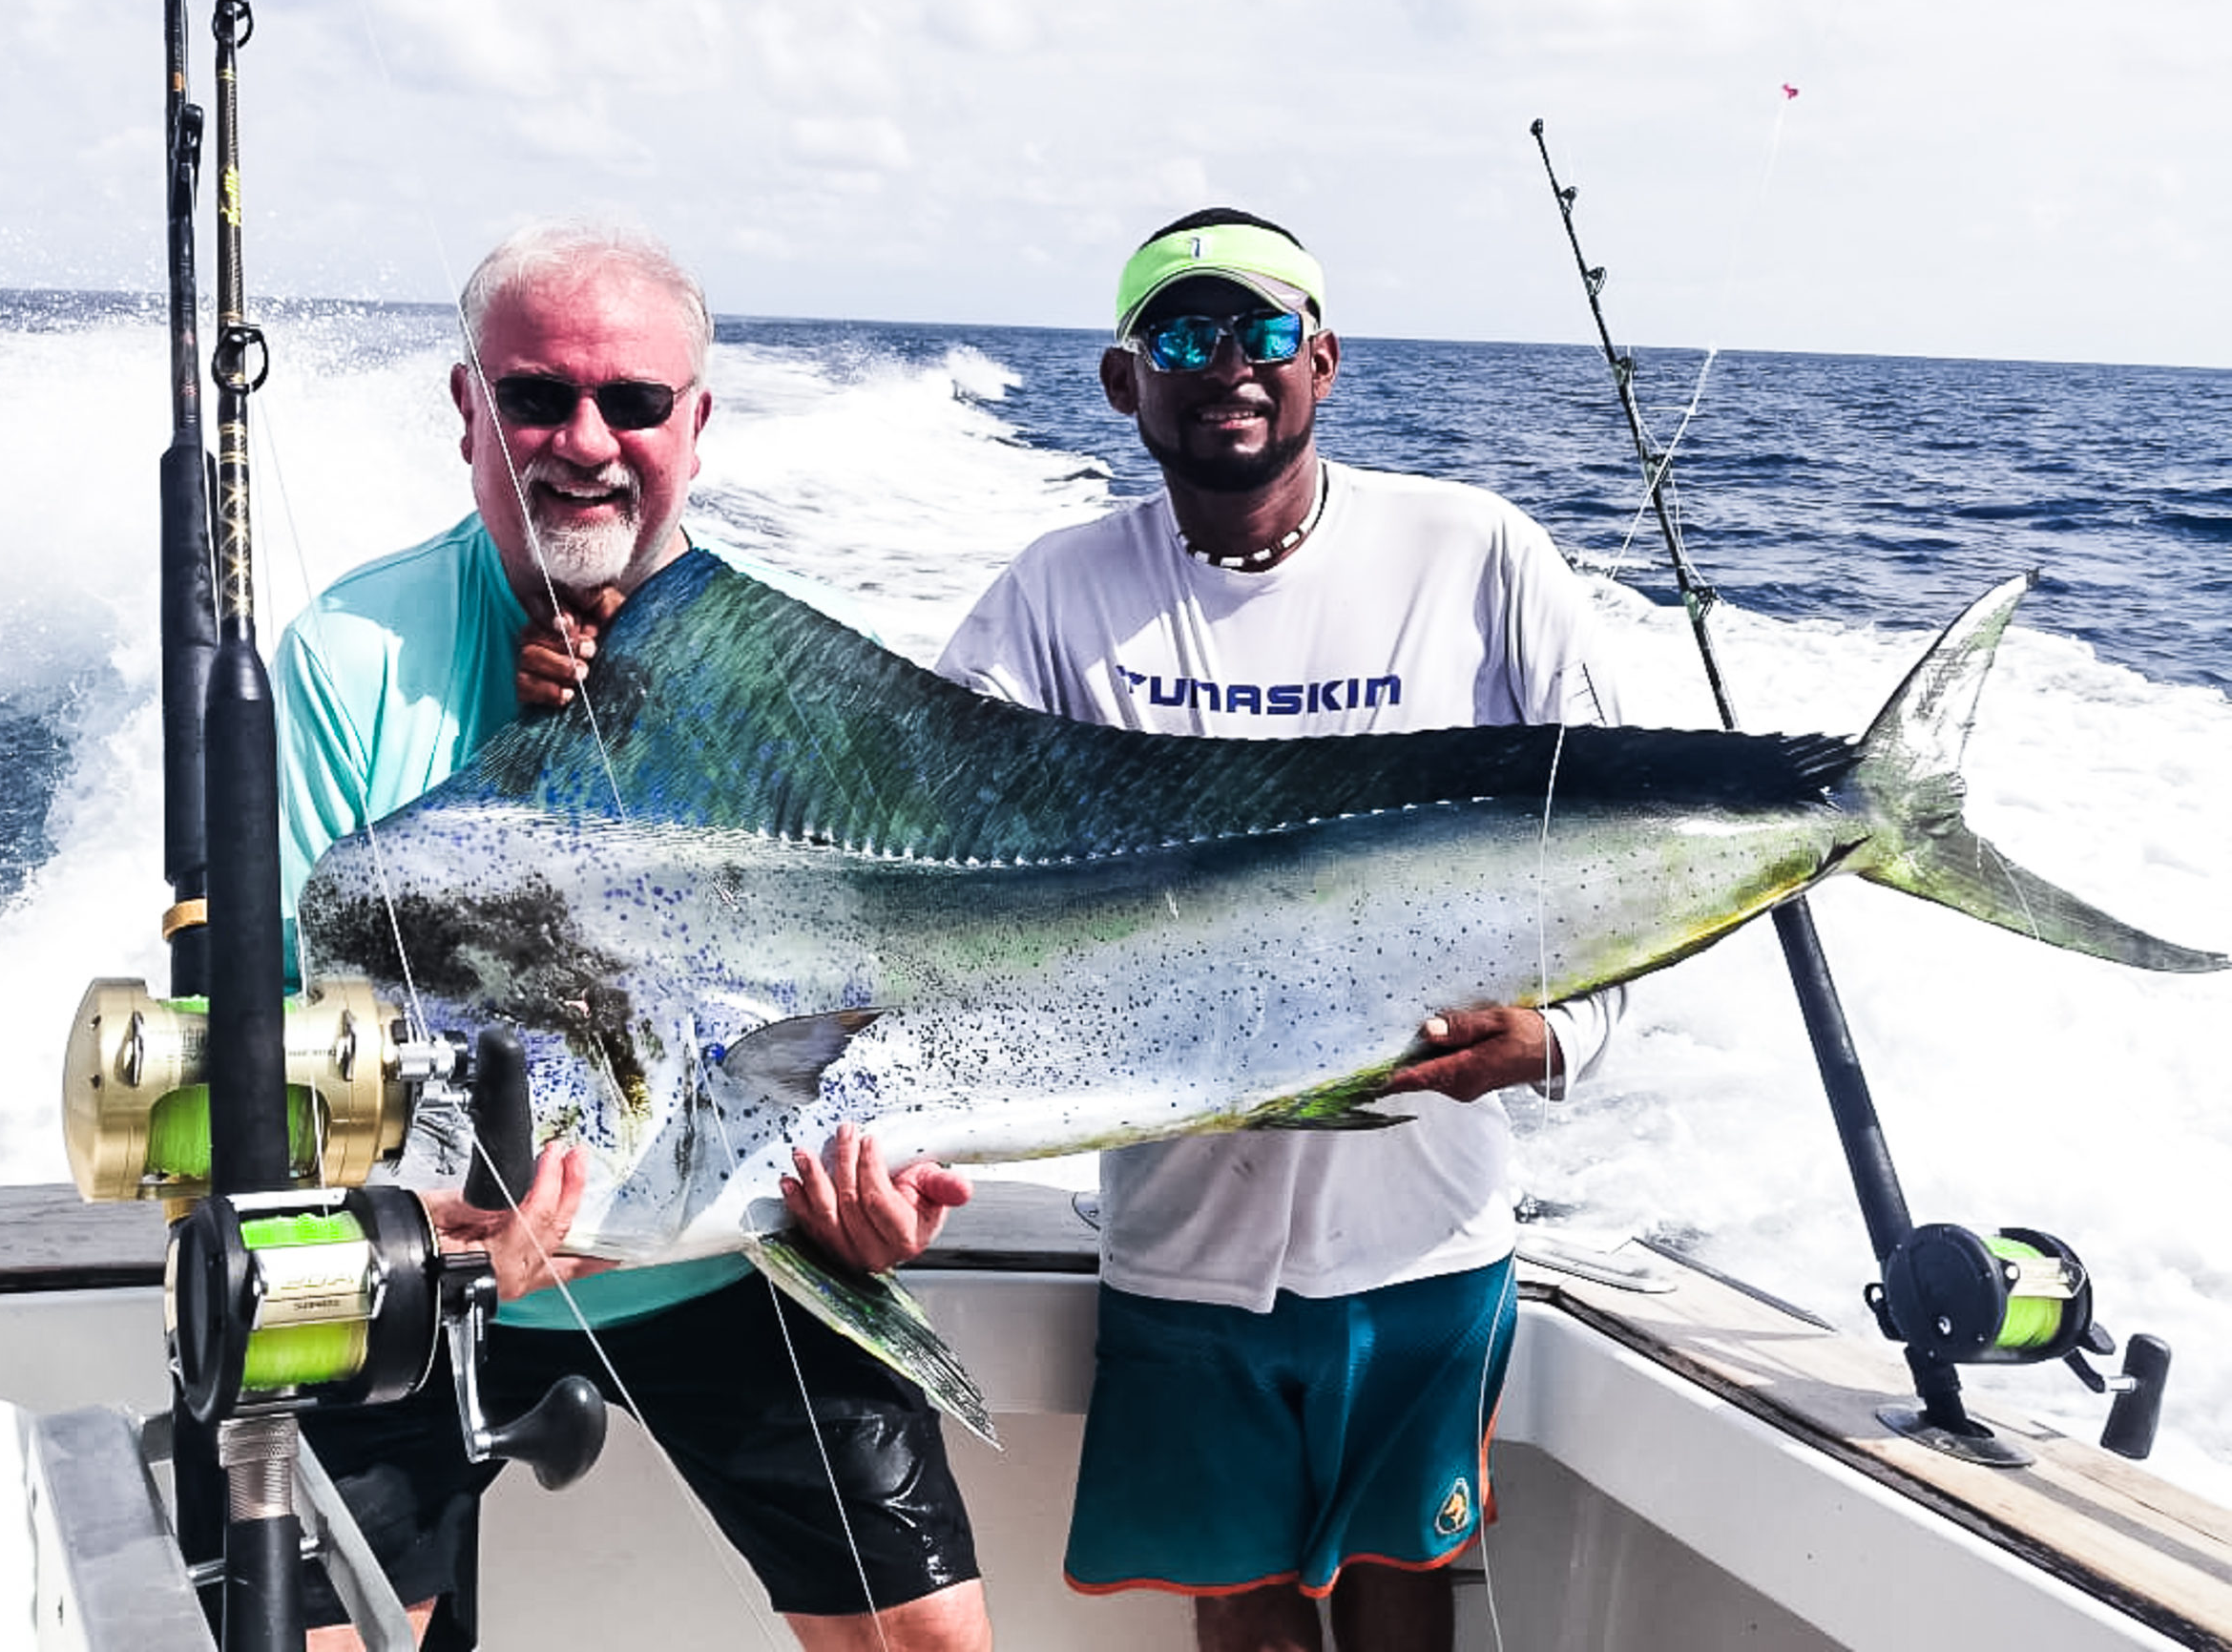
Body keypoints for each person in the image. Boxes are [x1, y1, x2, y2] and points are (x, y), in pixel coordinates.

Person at [275, 219, 991, 1652]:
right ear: (468, 407)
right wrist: (439, 1239)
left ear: (698, 425)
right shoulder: (349, 658)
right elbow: (298, 1030)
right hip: (413, 1254)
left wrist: (886, 1194)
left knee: (932, 1644)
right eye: (535, 396)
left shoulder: (790, 692)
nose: (584, 440)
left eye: (634, 402)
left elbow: (889, 1019)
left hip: (731, 1251)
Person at [931, 209, 1625, 1652]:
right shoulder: (1054, 595)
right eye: (1182, 338)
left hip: (1429, 1235)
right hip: (1186, 1243)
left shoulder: (1476, 552)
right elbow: (926, 840)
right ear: (1127, 383)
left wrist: (1561, 1038)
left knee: (1401, 1603)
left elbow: (1613, 848)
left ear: (1324, 360)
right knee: (1239, 1620)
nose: (1226, 367)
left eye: (1260, 332)